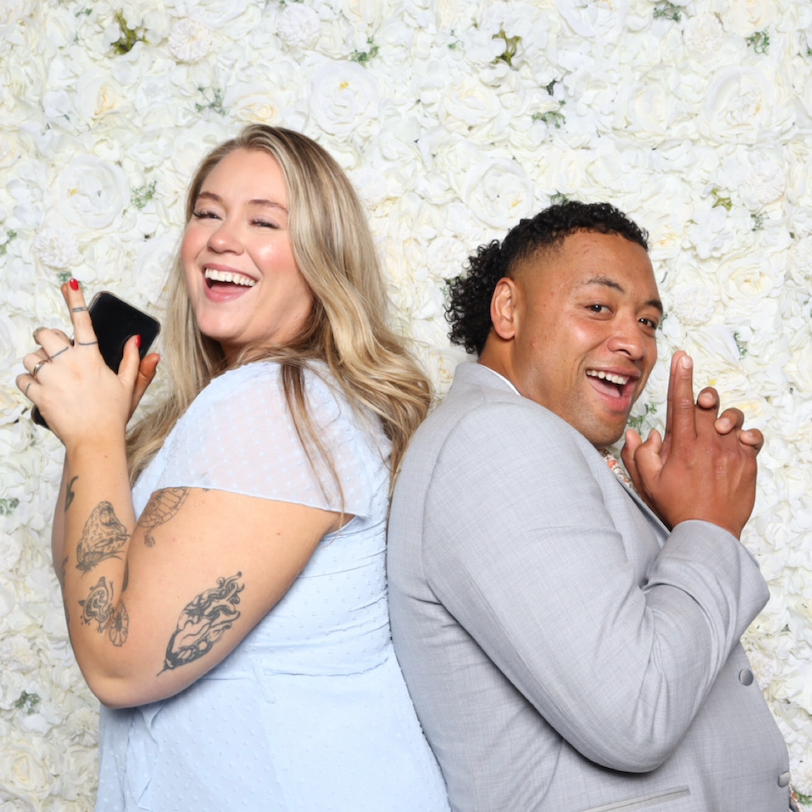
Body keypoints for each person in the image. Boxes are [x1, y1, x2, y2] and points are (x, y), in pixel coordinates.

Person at [18, 125, 450, 812]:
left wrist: (95, 438)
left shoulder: (278, 403)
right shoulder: (251, 404)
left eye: (264, 221)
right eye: (207, 212)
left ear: (323, 258)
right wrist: (93, 437)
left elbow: (118, 662)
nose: (222, 238)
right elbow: (96, 581)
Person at [387, 201, 792, 812]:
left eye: (648, 322)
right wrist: (708, 526)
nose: (634, 343)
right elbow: (636, 713)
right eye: (598, 307)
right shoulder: (495, 439)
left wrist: (671, 525)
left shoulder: (526, 439)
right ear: (508, 309)